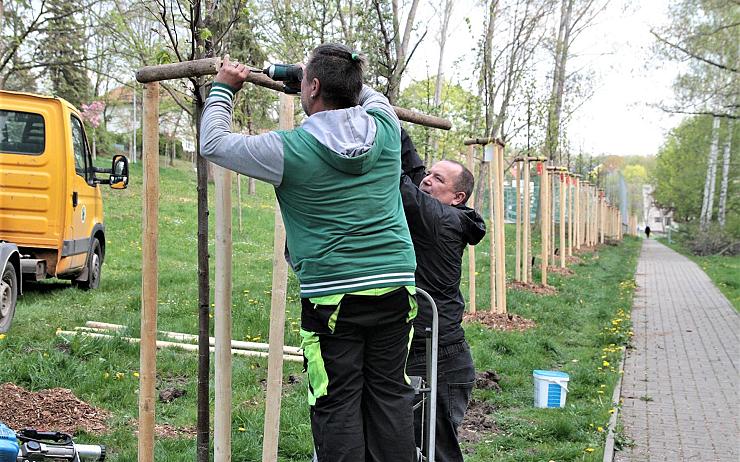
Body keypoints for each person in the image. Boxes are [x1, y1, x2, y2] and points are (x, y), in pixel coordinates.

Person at [200, 44, 418, 462]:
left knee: (336, 398)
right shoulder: (386, 127)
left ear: (313, 87)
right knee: (390, 393)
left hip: (334, 297)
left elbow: (214, 143)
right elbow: (367, 93)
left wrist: (224, 88)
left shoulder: (289, 150)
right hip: (395, 284)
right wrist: (316, 75)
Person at [399, 130, 486, 462]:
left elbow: (400, 182)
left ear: (457, 197)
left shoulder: (440, 220)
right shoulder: (443, 210)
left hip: (439, 359)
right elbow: (413, 170)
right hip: (425, 347)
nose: (427, 180)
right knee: (417, 447)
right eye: (430, 174)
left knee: (436, 452)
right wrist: (391, 121)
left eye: (438, 179)